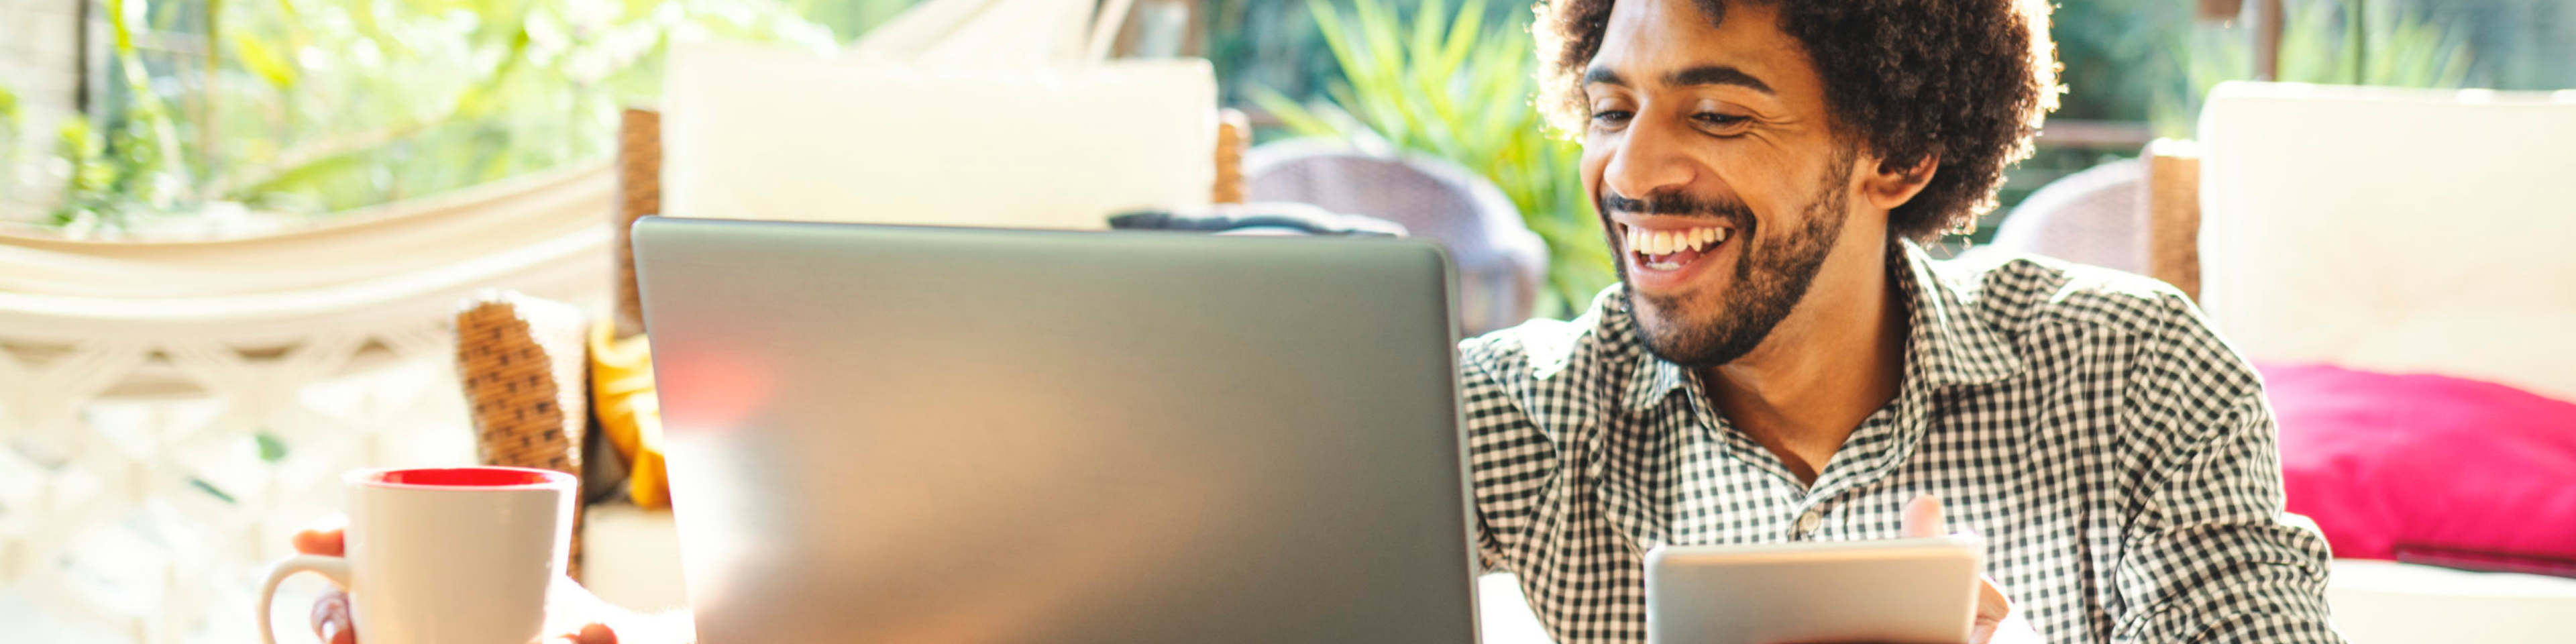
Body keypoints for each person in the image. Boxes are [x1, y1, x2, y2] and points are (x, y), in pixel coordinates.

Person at [297, 0, 2345, 642]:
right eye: (1614, 106)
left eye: (1720, 110)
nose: (1638, 169)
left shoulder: (2128, 376)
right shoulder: (1497, 417)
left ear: (1896, 152)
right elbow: (1073, 582)